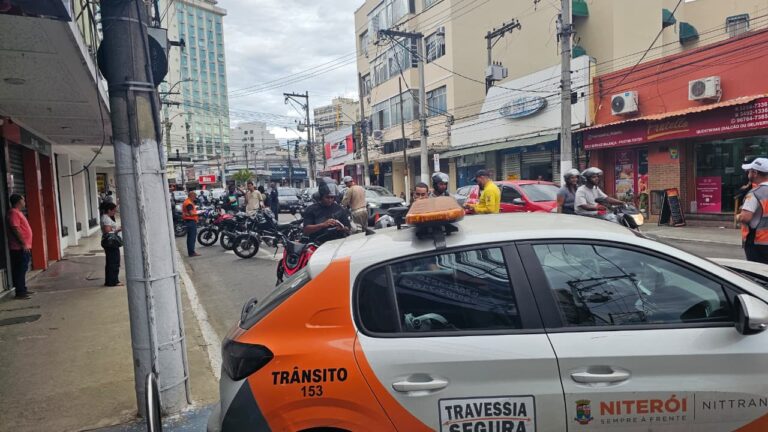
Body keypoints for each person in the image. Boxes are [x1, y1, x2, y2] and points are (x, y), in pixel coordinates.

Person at [737, 158, 768, 264]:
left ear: (755, 173)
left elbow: (745, 217)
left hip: (758, 243)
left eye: (749, 171)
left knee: (758, 275)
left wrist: (738, 216)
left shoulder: (755, 193)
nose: (748, 173)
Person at [7, 194, 33, 299]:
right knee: (20, 269)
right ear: (18, 201)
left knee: (23, 268)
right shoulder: (13, 213)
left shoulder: (18, 212)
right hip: (19, 248)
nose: (25, 202)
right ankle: (20, 292)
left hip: (23, 247)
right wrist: (23, 243)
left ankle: (23, 289)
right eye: (23, 200)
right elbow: (15, 228)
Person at [100, 202, 122, 286]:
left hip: (110, 243)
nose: (114, 212)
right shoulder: (106, 218)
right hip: (111, 243)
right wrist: (118, 229)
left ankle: (111, 280)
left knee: (111, 261)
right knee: (114, 262)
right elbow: (108, 231)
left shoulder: (106, 217)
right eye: (113, 211)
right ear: (109, 210)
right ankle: (113, 281)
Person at [182, 191, 201, 257]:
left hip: (189, 221)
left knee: (190, 238)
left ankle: (191, 252)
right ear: (191, 196)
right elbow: (191, 213)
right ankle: (192, 253)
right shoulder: (189, 203)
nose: (195, 198)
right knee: (192, 238)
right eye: (194, 197)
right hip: (191, 221)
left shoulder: (187, 201)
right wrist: (199, 213)